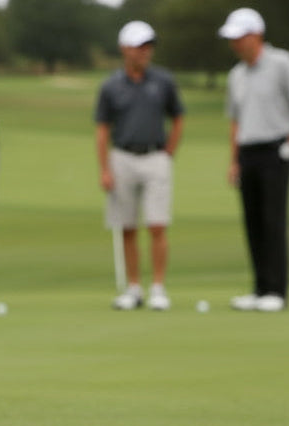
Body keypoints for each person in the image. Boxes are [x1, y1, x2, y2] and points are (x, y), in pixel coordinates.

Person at [219, 8, 289, 312]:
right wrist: (234, 160)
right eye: (232, 39)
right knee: (252, 222)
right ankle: (260, 289)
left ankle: (277, 290)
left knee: (273, 221)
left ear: (256, 35)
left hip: (276, 150)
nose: (235, 44)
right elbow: (235, 121)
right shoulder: (236, 75)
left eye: (239, 37)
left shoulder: (282, 63)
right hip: (247, 152)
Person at [95, 20, 185, 311]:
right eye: (140, 46)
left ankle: (158, 287)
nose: (146, 51)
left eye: (149, 46)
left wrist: (169, 152)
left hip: (155, 156)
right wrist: (104, 169)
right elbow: (102, 130)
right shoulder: (110, 86)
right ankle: (134, 288)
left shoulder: (163, 81)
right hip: (122, 157)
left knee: (157, 225)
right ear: (125, 49)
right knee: (127, 227)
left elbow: (178, 118)